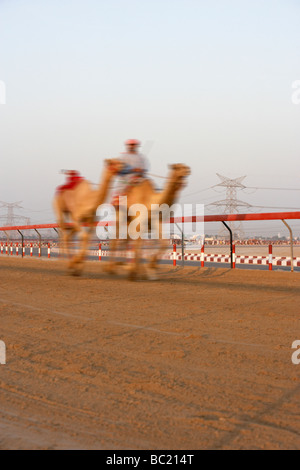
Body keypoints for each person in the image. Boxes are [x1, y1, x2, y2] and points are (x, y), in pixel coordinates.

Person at [112, 139, 149, 205]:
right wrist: (132, 169)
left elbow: (145, 168)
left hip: (139, 180)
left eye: (134, 145)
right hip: (125, 181)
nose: (132, 146)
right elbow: (119, 169)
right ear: (127, 146)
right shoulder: (123, 157)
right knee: (119, 200)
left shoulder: (141, 157)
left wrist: (141, 171)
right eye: (130, 145)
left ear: (137, 146)